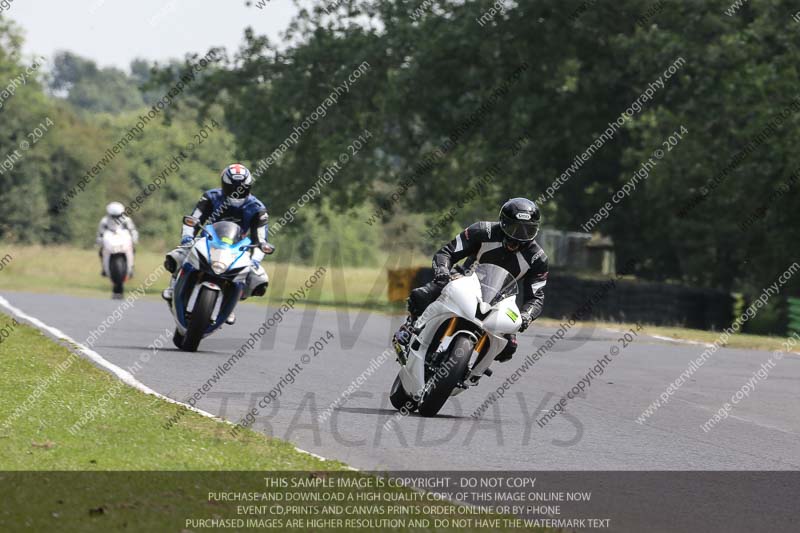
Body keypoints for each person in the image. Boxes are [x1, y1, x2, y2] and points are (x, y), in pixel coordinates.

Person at [393, 197, 548, 362]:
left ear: (535, 231)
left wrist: (526, 317)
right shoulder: (482, 230)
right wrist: (443, 272)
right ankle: (410, 327)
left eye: (526, 231)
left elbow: (536, 297)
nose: (518, 237)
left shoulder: (538, 258)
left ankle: (473, 372)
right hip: (465, 279)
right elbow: (447, 252)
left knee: (509, 347)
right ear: (503, 223)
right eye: (513, 228)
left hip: (500, 299)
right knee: (425, 294)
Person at [161, 164, 270, 324]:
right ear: (224, 185)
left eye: (241, 187)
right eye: (232, 186)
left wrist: (255, 259)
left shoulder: (258, 208)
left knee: (258, 279)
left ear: (248, 187)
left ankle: (231, 305)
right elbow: (193, 220)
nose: (237, 190)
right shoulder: (210, 197)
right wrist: (187, 238)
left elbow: (261, 239)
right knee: (176, 256)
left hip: (238, 248)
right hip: (207, 240)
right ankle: (173, 287)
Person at [97, 201, 138, 276]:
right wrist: (100, 241)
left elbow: (132, 230)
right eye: (114, 216)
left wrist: (134, 239)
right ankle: (104, 268)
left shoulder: (126, 220)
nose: (116, 218)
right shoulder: (104, 221)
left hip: (122, 239)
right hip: (109, 240)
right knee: (101, 251)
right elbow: (100, 233)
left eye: (118, 216)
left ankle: (131, 267)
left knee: (133, 250)